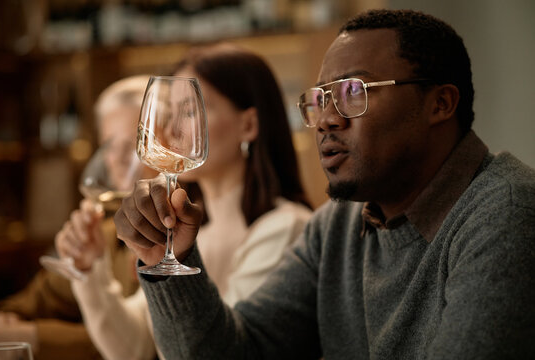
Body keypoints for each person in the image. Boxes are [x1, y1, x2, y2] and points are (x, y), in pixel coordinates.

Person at [114, 9, 535, 360]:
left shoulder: (507, 216)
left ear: (440, 104)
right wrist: (170, 260)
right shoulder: (337, 226)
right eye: (319, 99)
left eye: (354, 91)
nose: (328, 119)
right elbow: (234, 352)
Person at [55, 42, 313, 360]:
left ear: (248, 125)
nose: (171, 130)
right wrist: (91, 269)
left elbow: (219, 348)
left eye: (190, 111)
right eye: (171, 113)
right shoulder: (190, 230)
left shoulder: (286, 228)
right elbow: (135, 347)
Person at [0, 75, 153, 360]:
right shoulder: (105, 233)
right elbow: (29, 304)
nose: (116, 160)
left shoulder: (182, 240)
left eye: (132, 145)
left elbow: (148, 345)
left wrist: (31, 336)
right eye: (109, 145)